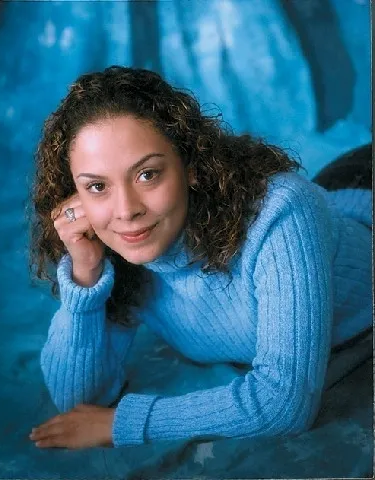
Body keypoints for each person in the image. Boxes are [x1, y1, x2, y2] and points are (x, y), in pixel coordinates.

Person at [28, 66, 372, 449]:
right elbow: (77, 402)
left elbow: (284, 404)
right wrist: (86, 273)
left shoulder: (280, 213)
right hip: (330, 206)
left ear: (191, 167)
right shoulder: (118, 246)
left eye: (147, 175)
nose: (125, 211)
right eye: (97, 186)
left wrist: (121, 423)